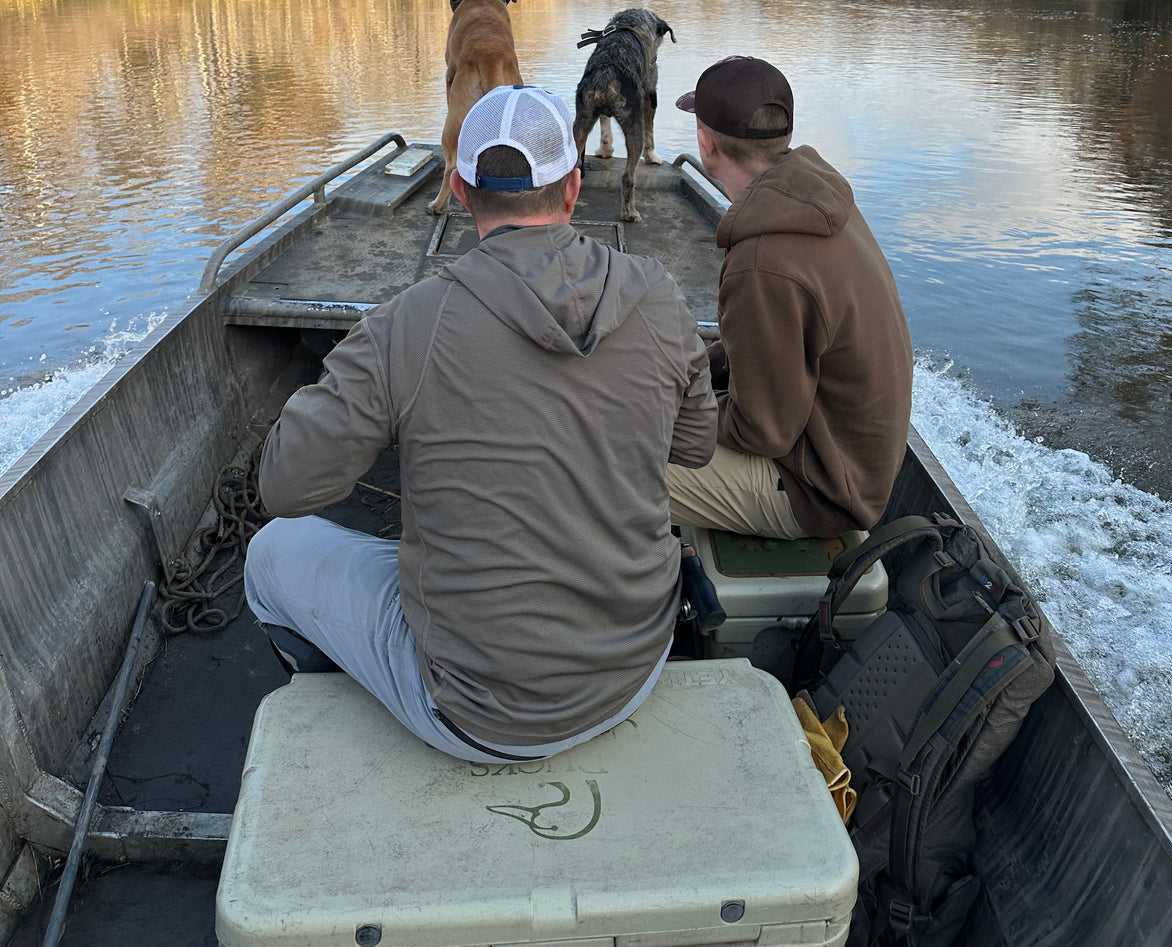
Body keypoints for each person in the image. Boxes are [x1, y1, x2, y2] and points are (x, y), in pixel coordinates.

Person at [244, 84, 716, 764]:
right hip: (636, 668)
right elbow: (696, 446)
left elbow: (284, 488)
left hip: (479, 716)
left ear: (461, 191)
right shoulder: (661, 296)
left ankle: (352, 720)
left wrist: (344, 379)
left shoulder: (405, 323)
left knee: (269, 555)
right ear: (575, 187)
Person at [666, 56, 913, 541]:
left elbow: (762, 432)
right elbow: (763, 352)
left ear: (705, 143)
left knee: (599, 467)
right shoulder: (815, 198)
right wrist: (688, 372)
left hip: (820, 493)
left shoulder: (763, 261)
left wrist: (667, 409)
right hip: (852, 462)